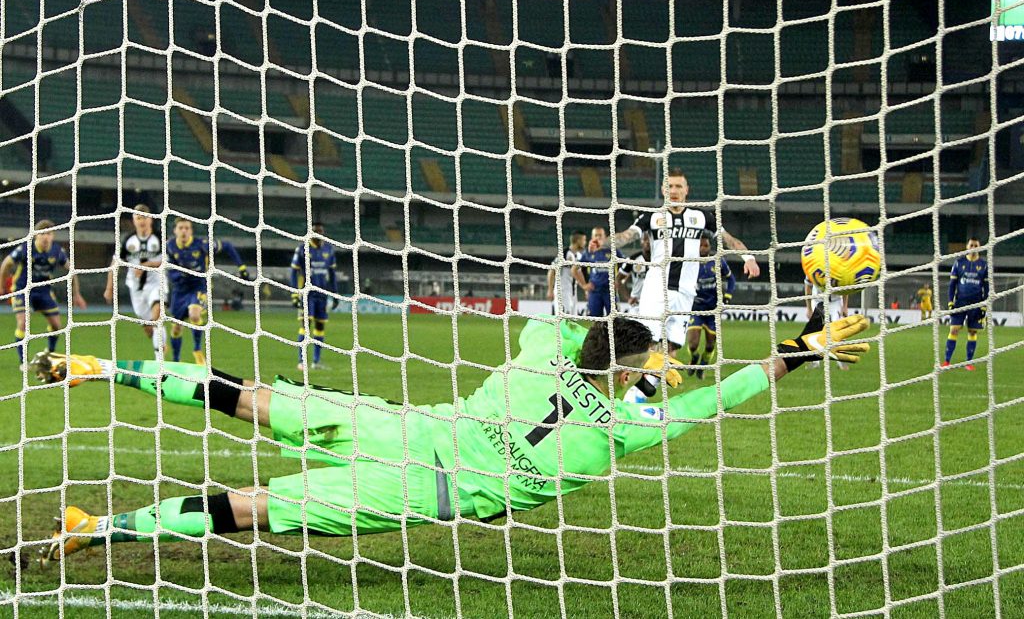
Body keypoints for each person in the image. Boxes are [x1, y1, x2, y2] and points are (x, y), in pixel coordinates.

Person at [24, 306, 868, 565]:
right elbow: (727, 393)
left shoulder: (542, 346)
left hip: (406, 425)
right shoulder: (626, 426)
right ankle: (98, 528)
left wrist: (630, 353)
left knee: (248, 397)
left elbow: (575, 329)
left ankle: (103, 367)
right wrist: (801, 348)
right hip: (418, 487)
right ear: (629, 372)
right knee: (251, 507)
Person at [605, 170, 759, 399]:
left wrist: (748, 257)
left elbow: (728, 239)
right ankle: (619, 385)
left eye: (678, 186)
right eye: (669, 186)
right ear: (663, 190)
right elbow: (627, 235)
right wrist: (606, 242)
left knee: (672, 348)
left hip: (685, 293)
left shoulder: (702, 217)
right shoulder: (652, 217)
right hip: (656, 289)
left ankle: (638, 395)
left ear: (687, 190)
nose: (674, 191)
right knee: (647, 343)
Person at [0, 220, 87, 367]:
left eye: (49, 233)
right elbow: (6, 264)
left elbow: (72, 271)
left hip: (44, 291)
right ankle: (23, 362)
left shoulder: (57, 251)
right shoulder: (26, 248)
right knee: (23, 322)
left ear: (53, 236)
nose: (46, 237)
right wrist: (1, 285)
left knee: (56, 325)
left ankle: (49, 353)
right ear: (36, 235)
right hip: (22, 289)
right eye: (42, 234)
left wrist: (76, 294)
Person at [165, 217, 249, 365]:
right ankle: (176, 360)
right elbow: (169, 270)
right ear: (175, 231)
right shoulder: (169, 246)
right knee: (176, 328)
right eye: (180, 228)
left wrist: (241, 267)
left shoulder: (202, 245)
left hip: (198, 286)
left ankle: (197, 350)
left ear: (191, 231)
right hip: (180, 290)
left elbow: (227, 246)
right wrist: (180, 275)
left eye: (187, 228)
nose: (184, 231)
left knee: (194, 315)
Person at [103, 205, 165, 360]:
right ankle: (159, 343)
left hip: (156, 283)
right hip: (136, 288)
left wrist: (147, 265)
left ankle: (160, 363)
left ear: (150, 219)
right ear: (134, 221)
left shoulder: (160, 238)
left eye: (144, 217)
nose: (141, 221)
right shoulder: (128, 241)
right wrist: (109, 288)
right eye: (138, 218)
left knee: (157, 317)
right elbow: (115, 265)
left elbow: (167, 261)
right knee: (149, 328)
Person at [291, 221, 339, 371]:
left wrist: (335, 293)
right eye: (315, 231)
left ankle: (316, 361)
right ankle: (301, 361)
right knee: (305, 325)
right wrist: (294, 293)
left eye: (320, 231)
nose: (318, 234)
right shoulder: (302, 249)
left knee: (320, 326)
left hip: (322, 295)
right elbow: (293, 272)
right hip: (307, 294)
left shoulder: (328, 250)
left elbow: (332, 274)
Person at [686, 236, 736, 380]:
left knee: (710, 345)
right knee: (693, 344)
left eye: (706, 245)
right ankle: (694, 357)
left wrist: (727, 296)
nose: (703, 248)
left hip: (713, 310)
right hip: (696, 308)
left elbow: (731, 279)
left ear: (709, 247)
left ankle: (703, 365)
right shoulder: (690, 262)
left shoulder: (717, 261)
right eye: (700, 245)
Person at [944, 238, 989, 370]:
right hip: (960, 302)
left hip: (976, 302)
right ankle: (947, 361)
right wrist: (950, 302)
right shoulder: (959, 263)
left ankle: (968, 363)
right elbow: (952, 285)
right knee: (954, 329)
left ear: (980, 247)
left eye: (976, 245)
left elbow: (987, 287)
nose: (973, 247)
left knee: (972, 331)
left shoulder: (984, 265)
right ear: (967, 246)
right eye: (971, 245)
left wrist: (984, 305)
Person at [573, 227, 624, 317]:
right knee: (595, 320)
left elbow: (626, 265)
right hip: (594, 291)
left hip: (610, 291)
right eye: (596, 235)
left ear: (605, 237)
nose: (598, 237)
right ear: (592, 237)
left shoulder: (613, 250)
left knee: (615, 320)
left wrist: (619, 281)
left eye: (600, 235)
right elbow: (574, 269)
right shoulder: (588, 252)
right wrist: (584, 285)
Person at [546, 231, 587, 316]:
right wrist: (550, 289)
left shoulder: (579, 256)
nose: (585, 242)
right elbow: (552, 271)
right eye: (584, 240)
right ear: (578, 240)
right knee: (563, 318)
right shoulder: (565, 253)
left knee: (572, 319)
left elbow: (579, 273)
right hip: (563, 291)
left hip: (573, 292)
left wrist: (585, 288)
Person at [616, 235, 651, 315]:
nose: (647, 242)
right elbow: (618, 279)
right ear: (641, 242)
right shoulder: (632, 259)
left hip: (655, 300)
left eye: (649, 240)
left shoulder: (661, 260)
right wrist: (628, 298)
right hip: (636, 302)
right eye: (645, 239)